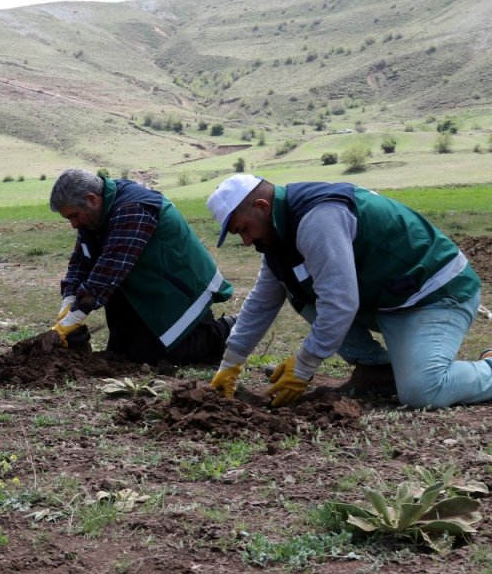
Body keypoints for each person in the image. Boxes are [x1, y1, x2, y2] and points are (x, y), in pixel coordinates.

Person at [207, 174, 489, 409]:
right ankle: (377, 370)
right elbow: (262, 302)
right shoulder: (277, 237)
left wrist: (304, 366)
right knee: (296, 291)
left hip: (434, 294)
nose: (245, 241)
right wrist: (231, 362)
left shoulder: (318, 218)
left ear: (262, 206)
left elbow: (340, 302)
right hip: (386, 299)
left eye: (243, 229)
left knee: (423, 391)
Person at [48, 168, 235, 365]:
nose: (73, 224)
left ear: (92, 199)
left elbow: (109, 269)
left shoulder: (133, 208)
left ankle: (225, 330)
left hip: (178, 289)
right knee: (121, 355)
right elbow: (80, 262)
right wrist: (68, 302)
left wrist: (73, 318)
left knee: (154, 357)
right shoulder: (93, 217)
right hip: (143, 290)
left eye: (74, 216)